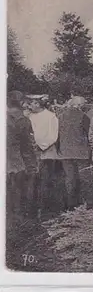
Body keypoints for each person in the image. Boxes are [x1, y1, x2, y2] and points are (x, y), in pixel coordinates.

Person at [56, 96, 93, 210]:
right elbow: (89, 134)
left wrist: (59, 149)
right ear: (80, 105)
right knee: (85, 177)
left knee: (69, 178)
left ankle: (70, 204)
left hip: (65, 152)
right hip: (81, 153)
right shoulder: (84, 117)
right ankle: (89, 202)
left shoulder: (60, 116)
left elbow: (57, 135)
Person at [26, 94, 60, 215]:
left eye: (32, 103)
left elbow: (54, 135)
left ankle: (46, 208)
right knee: (33, 181)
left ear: (38, 104)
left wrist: (41, 145)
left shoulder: (51, 117)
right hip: (33, 153)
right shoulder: (30, 117)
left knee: (46, 181)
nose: (30, 106)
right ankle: (33, 208)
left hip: (47, 153)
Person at [7, 91, 38, 223]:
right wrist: (32, 163)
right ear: (21, 103)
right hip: (16, 161)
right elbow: (27, 145)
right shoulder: (23, 120)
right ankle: (18, 215)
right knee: (18, 188)